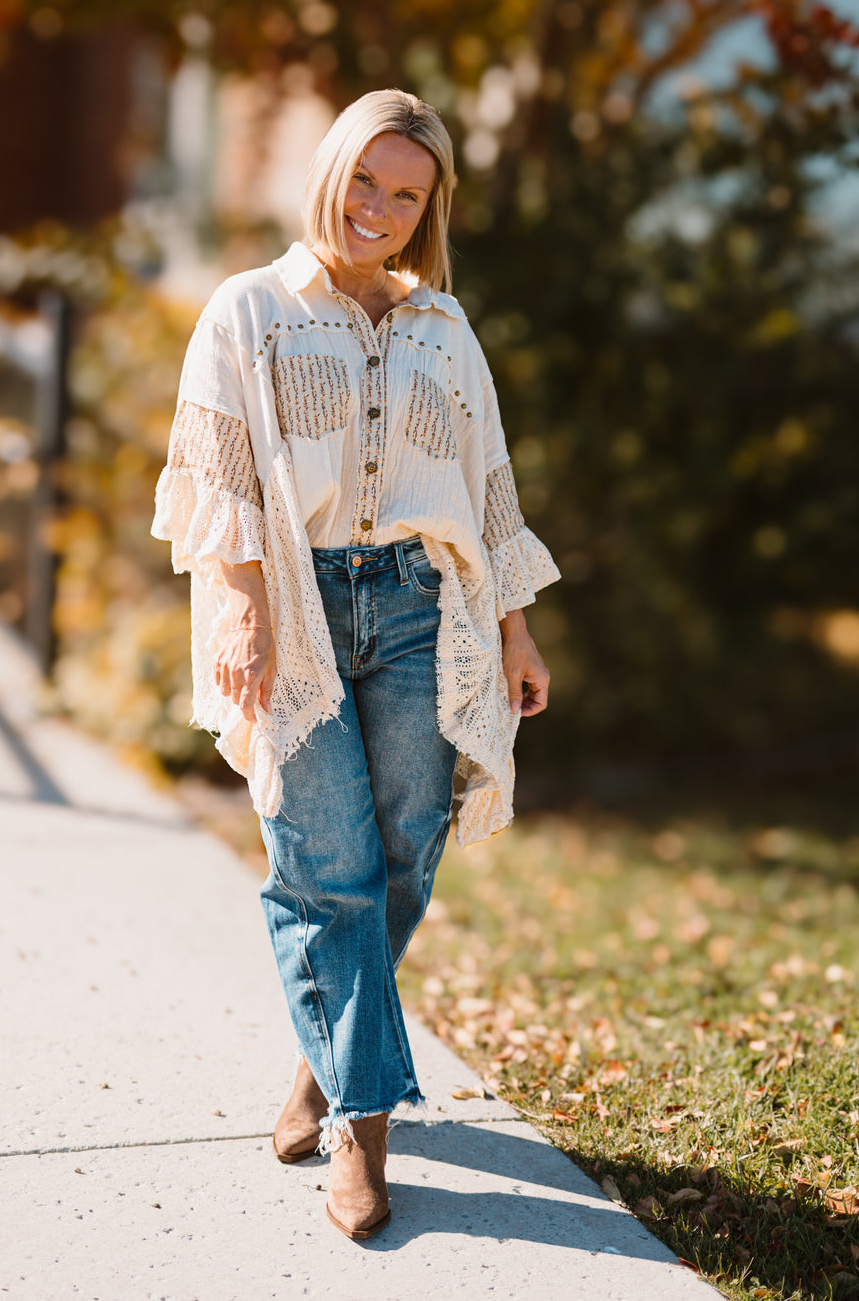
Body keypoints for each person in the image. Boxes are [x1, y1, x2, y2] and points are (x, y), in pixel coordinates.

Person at [152, 88, 559, 1241]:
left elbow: (486, 488)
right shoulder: (249, 311)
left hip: (424, 608)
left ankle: (320, 1062)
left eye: (405, 193)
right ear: (329, 170)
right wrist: (239, 608)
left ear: (428, 209)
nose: (377, 207)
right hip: (297, 599)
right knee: (322, 862)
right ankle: (364, 1129)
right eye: (364, 179)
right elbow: (219, 470)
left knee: (404, 851)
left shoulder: (445, 327)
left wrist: (518, 628)